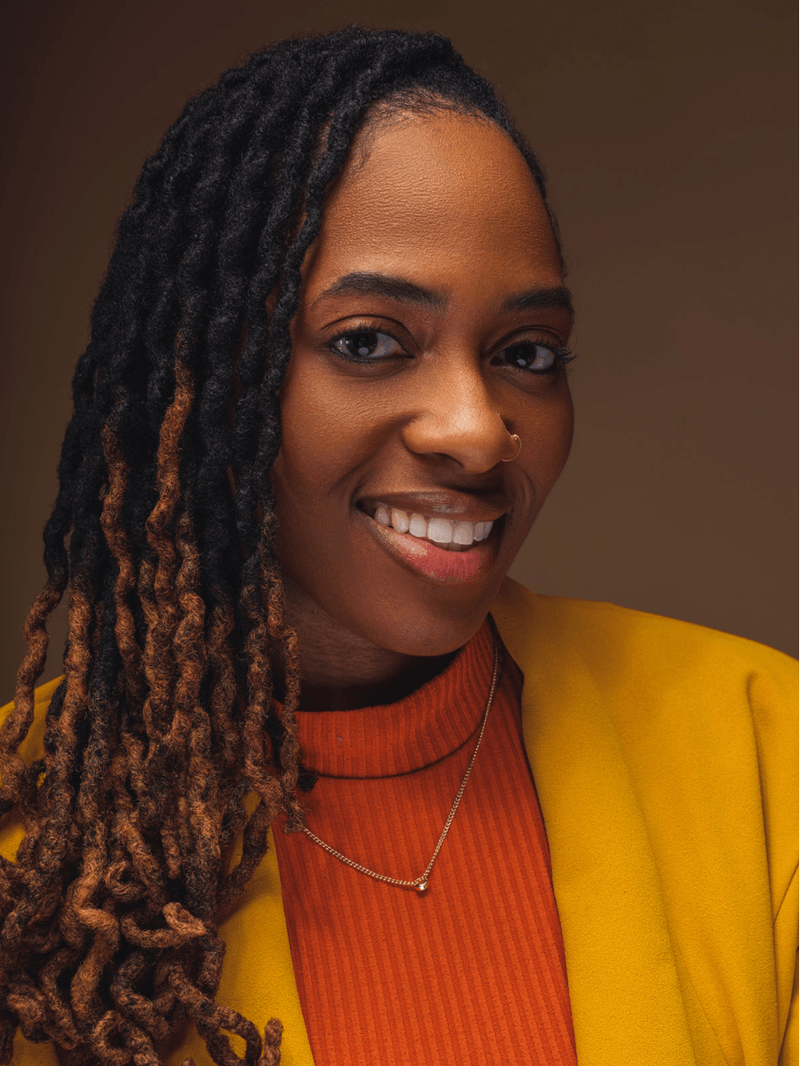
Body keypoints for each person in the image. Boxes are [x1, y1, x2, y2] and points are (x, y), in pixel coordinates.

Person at [0, 25, 795, 1066]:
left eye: (526, 352)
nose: (475, 427)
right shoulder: (36, 850)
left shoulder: (762, 756)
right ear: (199, 386)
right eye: (367, 341)